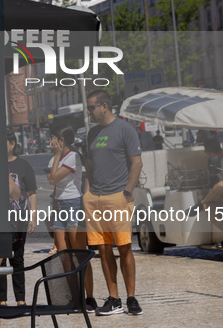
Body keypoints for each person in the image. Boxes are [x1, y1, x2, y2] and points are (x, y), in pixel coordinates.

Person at [83, 90, 144, 316]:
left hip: (117, 197)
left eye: (91, 107)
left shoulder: (125, 129)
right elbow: (89, 166)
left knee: (125, 247)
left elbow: (136, 163)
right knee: (103, 248)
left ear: (104, 106)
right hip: (95, 200)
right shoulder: (92, 134)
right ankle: (114, 298)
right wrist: (86, 194)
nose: (89, 112)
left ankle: (131, 298)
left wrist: (127, 192)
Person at [47, 123, 97, 312]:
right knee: (64, 255)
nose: (49, 141)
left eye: (53, 137)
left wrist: (57, 155)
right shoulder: (56, 158)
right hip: (59, 205)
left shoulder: (73, 157)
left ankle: (90, 298)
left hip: (74, 204)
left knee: (80, 254)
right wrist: (52, 209)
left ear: (61, 140)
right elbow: (54, 186)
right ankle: (75, 297)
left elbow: (53, 179)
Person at [0, 129, 37, 307]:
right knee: (0, 260)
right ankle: (2, 300)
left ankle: (20, 300)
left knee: (18, 258)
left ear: (12, 144)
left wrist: (33, 216)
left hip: (19, 218)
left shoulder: (23, 166)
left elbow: (31, 193)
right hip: (0, 220)